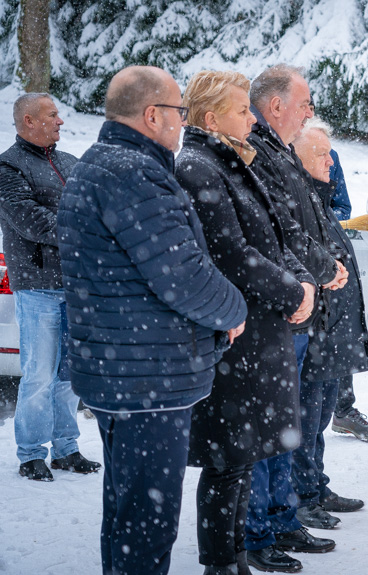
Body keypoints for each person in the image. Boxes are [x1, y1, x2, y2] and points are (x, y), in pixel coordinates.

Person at [57, 66, 247, 575]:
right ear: (151, 115)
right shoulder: (132, 173)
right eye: (179, 111)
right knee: (147, 517)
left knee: (126, 508)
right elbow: (181, 275)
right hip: (147, 378)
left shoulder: (101, 164)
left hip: (122, 369)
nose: (183, 122)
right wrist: (234, 309)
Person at [175, 70, 318, 575]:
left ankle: (234, 555)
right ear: (212, 119)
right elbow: (231, 254)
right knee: (227, 459)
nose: (252, 118)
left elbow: (277, 236)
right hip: (236, 334)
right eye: (242, 110)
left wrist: (303, 284)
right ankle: (222, 562)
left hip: (261, 329)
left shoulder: (235, 160)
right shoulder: (198, 165)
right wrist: (291, 291)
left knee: (242, 459)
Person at [242, 64, 346, 567]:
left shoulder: (279, 150)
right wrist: (323, 269)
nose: (309, 110)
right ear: (276, 105)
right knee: (267, 426)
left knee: (287, 422)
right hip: (275, 306)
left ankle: (283, 517)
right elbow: (281, 232)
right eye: (303, 102)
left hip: (296, 302)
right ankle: (259, 530)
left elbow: (304, 223)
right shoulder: (257, 152)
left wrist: (323, 268)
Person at [0, 93, 100, 481]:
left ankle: (66, 449)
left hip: (76, 285)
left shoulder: (69, 163)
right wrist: (84, 227)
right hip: (38, 285)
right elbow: (31, 221)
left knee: (70, 374)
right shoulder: (8, 166)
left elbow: (94, 207)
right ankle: (30, 454)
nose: (60, 120)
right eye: (52, 114)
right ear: (28, 120)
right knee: (39, 374)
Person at [291, 116, 368, 529]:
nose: (331, 161)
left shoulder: (319, 199)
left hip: (334, 330)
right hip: (315, 330)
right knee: (306, 419)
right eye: (322, 155)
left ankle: (315, 485)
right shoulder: (298, 201)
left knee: (321, 414)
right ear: (298, 158)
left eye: (330, 152)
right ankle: (302, 496)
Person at [307, 97, 368, 443]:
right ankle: (339, 411)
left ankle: (344, 409)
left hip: (334, 253)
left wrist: (327, 223)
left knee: (341, 333)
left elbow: (342, 205)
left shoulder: (329, 156)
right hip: (310, 268)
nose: (328, 158)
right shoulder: (289, 165)